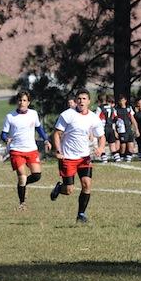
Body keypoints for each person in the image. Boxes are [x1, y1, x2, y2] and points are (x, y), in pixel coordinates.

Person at [50, 89, 105, 223]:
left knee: (86, 184)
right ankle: (59, 188)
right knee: (69, 190)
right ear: (75, 100)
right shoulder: (67, 115)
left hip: (84, 157)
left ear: (89, 102)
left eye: (84, 99)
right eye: (79, 99)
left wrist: (101, 148)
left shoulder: (93, 117)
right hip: (68, 157)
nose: (81, 101)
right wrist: (58, 151)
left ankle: (81, 214)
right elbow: (56, 134)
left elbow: (101, 136)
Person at [1, 90, 51, 210]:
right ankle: (22, 203)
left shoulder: (33, 114)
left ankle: (22, 186)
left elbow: (39, 128)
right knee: (22, 176)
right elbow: (3, 134)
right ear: (17, 102)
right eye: (20, 100)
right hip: (16, 150)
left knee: (37, 175)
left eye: (24, 100)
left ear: (28, 102)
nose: (22, 103)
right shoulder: (10, 116)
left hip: (31, 149)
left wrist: (46, 140)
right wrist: (6, 139)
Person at [115, 94, 139, 162]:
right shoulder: (116, 109)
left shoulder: (129, 108)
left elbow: (132, 119)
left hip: (129, 129)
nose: (121, 102)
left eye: (122, 100)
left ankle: (128, 160)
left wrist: (136, 129)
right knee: (123, 147)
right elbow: (114, 121)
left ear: (125, 100)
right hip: (121, 130)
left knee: (131, 146)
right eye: (120, 101)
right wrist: (115, 131)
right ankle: (121, 158)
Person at [97, 95, 120, 163]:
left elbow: (96, 118)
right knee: (112, 146)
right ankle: (117, 159)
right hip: (111, 128)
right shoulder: (112, 108)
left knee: (102, 145)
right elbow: (116, 118)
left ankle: (104, 160)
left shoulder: (100, 108)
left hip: (103, 128)